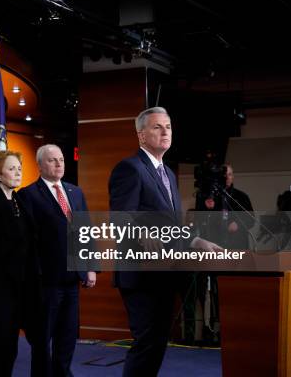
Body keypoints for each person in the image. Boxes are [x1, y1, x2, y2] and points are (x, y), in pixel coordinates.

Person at [108, 106, 222, 377]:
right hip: (140, 274)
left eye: (168, 127)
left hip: (165, 272)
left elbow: (170, 227)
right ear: (141, 135)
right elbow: (120, 219)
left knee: (157, 344)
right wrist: (141, 233)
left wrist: (196, 241)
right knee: (147, 343)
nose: (165, 132)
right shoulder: (130, 168)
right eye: (157, 127)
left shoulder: (168, 173)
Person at [18, 144, 96, 377]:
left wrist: (91, 268)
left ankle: (63, 373)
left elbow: (86, 231)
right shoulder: (28, 195)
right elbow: (27, 242)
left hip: (72, 279)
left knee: (67, 335)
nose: (59, 164)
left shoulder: (75, 192)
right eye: (52, 160)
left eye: (61, 159)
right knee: (42, 337)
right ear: (40, 165)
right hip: (46, 281)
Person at [0, 150, 42, 377]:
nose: (17, 172)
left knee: (13, 347)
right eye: (11, 168)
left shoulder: (19, 202)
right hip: (0, 288)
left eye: (19, 168)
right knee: (0, 346)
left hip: (23, 286)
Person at [221, 164, 255, 249]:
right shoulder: (211, 198)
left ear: (233, 177)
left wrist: (238, 224)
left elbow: (251, 219)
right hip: (216, 244)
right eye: (224, 175)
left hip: (238, 244)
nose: (227, 177)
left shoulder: (242, 196)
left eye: (229, 174)